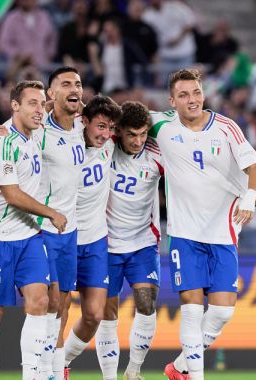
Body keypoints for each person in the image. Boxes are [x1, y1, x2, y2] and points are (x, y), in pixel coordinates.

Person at [150, 69, 256, 380]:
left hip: (223, 231)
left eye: (196, 92)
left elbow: (255, 167)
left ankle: (180, 368)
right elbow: (111, 118)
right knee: (191, 307)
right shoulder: (159, 124)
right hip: (184, 233)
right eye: (184, 95)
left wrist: (250, 194)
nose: (192, 99)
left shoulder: (226, 128)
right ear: (172, 101)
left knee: (223, 312)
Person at [0, 67, 86, 380]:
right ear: (15, 106)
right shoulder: (3, 141)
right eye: (33, 104)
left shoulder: (37, 134)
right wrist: (50, 211)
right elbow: (11, 194)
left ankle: (36, 376)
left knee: (43, 303)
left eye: (42, 104)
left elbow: (63, 105)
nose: (39, 110)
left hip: (29, 235)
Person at [94, 101, 163, 380]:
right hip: (106, 245)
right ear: (119, 131)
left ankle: (133, 371)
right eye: (132, 134)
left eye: (143, 134)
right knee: (107, 313)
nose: (138, 141)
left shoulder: (158, 155)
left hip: (143, 243)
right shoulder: (102, 147)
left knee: (147, 305)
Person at [61, 95, 122, 377]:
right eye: (100, 126)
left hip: (96, 240)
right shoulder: (65, 140)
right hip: (64, 238)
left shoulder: (110, 143)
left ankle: (59, 363)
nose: (105, 134)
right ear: (84, 122)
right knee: (57, 315)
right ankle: (49, 369)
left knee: (94, 315)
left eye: (109, 128)